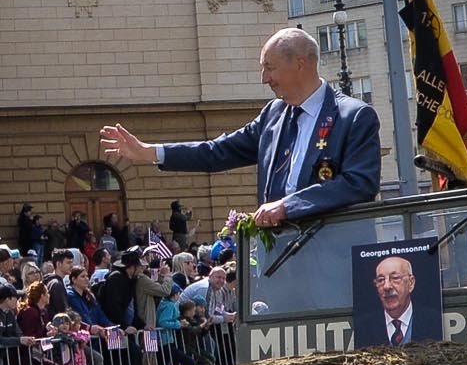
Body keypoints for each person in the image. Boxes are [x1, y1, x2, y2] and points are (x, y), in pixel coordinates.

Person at [98, 27, 380, 228]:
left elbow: (359, 184)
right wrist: (150, 153)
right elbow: (217, 152)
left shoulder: (354, 117)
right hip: (280, 260)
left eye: (269, 68)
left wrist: (287, 207)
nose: (264, 78)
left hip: (334, 258)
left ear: (301, 64)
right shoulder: (273, 114)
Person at [373, 255, 419, 346]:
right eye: (381, 280)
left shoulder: (433, 319)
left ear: (411, 283)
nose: (386, 286)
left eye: (395, 278)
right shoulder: (366, 326)